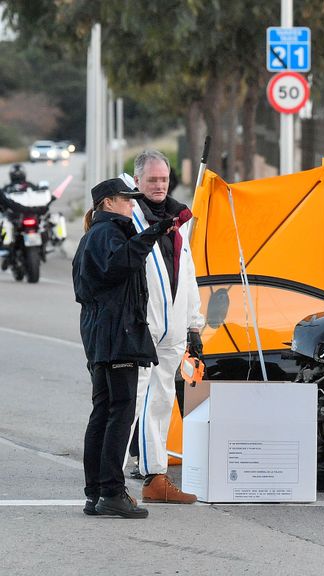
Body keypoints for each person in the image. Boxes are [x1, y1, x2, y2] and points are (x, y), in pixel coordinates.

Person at [73, 177, 177, 519]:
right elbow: (118, 267)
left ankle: (97, 492)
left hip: (105, 334)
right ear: (108, 203)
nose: (132, 205)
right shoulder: (107, 234)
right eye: (126, 200)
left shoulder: (100, 234)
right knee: (118, 413)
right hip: (115, 335)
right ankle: (111, 492)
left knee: (104, 412)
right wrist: (150, 235)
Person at [125, 150, 204, 504]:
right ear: (137, 180)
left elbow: (187, 274)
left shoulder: (179, 220)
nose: (159, 185)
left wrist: (194, 325)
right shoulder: (127, 217)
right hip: (141, 326)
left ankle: (154, 476)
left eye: (164, 179)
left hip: (172, 327)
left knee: (160, 401)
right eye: (152, 179)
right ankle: (121, 473)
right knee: (133, 401)